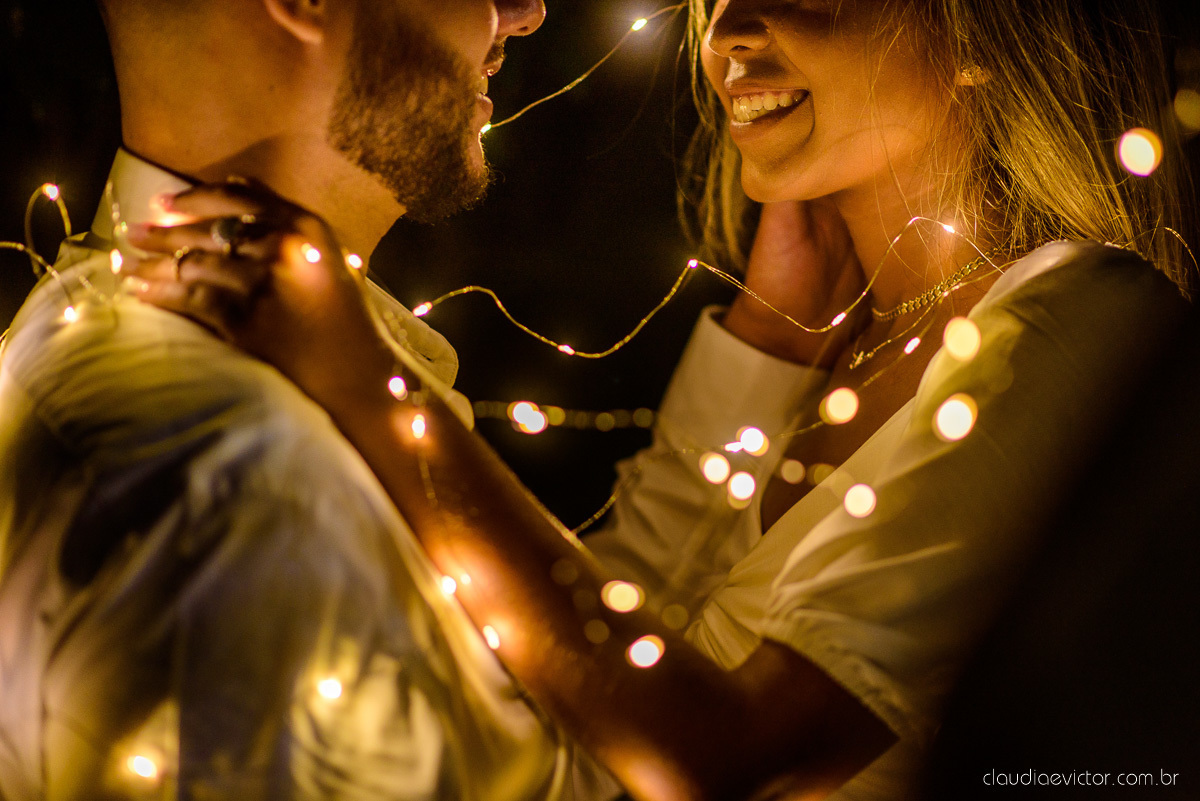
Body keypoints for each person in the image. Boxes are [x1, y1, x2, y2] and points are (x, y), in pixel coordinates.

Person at [124, 0, 1197, 800]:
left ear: (976, 31)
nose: (731, 30)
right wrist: (761, 350)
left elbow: (723, 754)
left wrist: (368, 382)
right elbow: (615, 639)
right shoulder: (818, 349)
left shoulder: (1080, 317)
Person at [0, 0, 563, 799]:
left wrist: (768, 340)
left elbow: (546, 737)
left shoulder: (282, 376)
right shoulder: (212, 467)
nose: (525, 14)